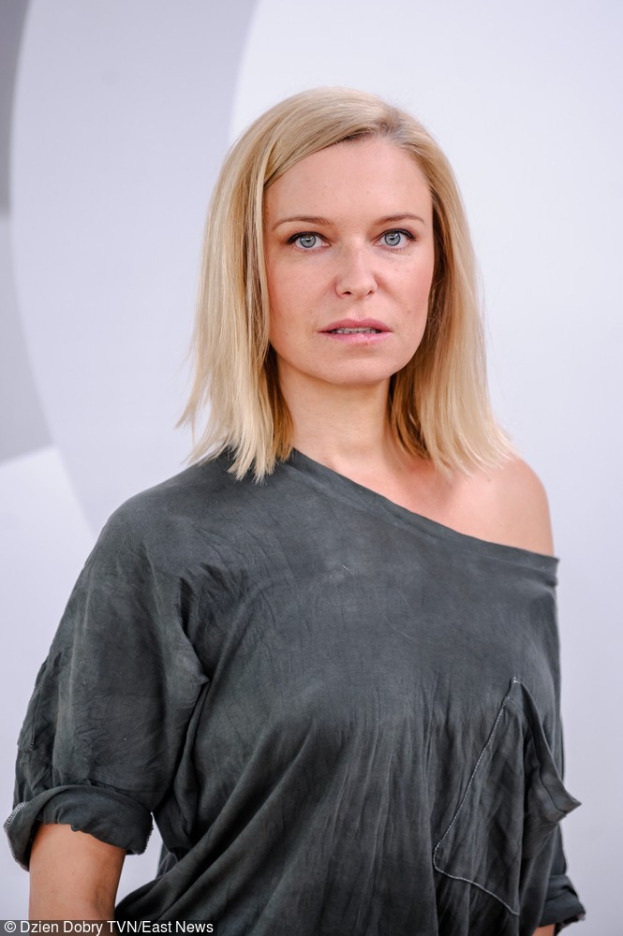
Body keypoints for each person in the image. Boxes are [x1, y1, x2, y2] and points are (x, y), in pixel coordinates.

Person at [6, 88, 585, 934]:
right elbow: (69, 895)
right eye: (307, 239)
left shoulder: (508, 501)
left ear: (438, 264)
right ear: (249, 271)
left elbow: (528, 853)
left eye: (395, 236)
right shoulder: (166, 540)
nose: (358, 279)